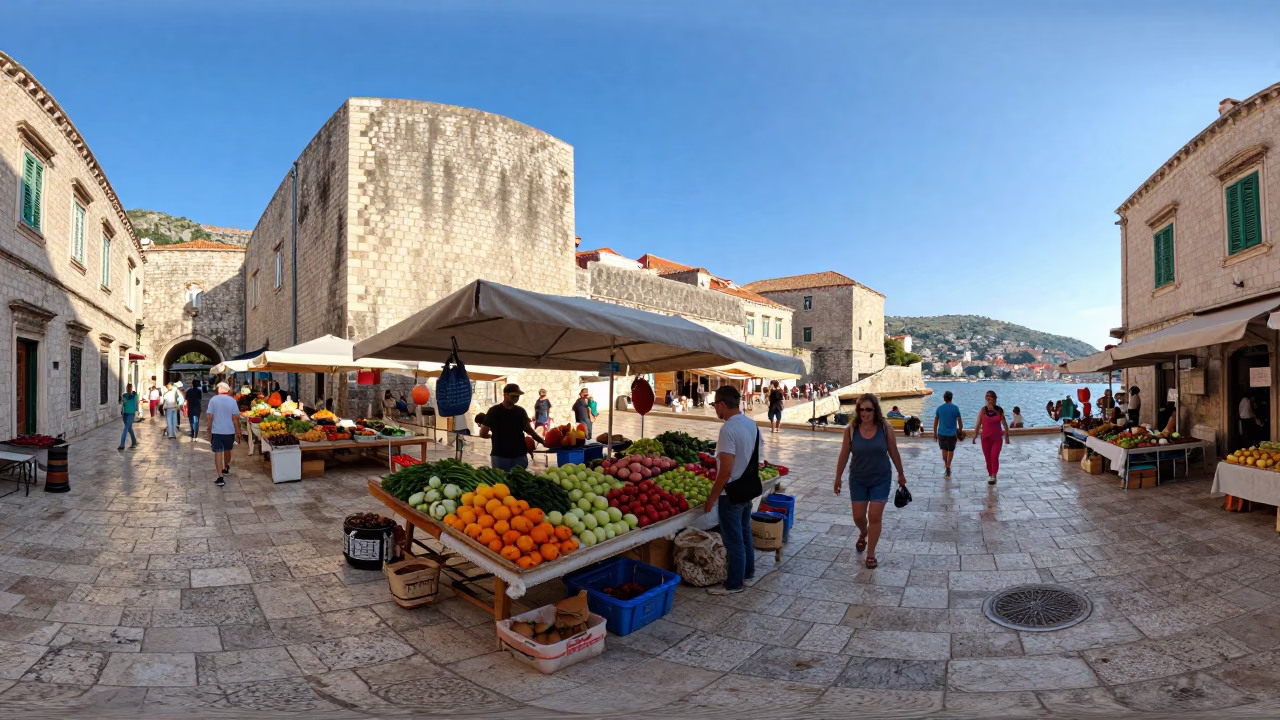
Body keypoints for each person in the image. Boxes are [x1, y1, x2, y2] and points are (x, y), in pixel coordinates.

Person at [834, 393, 908, 570]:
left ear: (875, 410)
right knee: (858, 517)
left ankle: (871, 554)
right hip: (858, 479)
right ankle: (863, 532)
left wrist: (901, 473)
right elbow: (844, 454)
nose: (865, 413)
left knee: (875, 516)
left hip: (881, 478)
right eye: (861, 409)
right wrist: (838, 477)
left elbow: (893, 451)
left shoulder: (885, 428)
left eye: (868, 409)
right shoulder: (850, 429)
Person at [702, 386, 764, 595]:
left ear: (721, 404)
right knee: (745, 533)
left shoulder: (727, 429)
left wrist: (712, 498)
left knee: (733, 539)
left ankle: (734, 583)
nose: (715, 411)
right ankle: (748, 573)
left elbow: (726, 470)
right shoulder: (751, 424)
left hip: (732, 492)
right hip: (747, 489)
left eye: (714, 406)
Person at [478, 384, 545, 470]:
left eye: (518, 396)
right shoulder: (495, 411)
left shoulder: (519, 411)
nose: (516, 398)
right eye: (514, 396)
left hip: (517, 456)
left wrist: (542, 441)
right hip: (502, 457)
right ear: (505, 395)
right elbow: (483, 433)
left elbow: (529, 430)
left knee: (508, 482)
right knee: (504, 483)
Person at [206, 382, 243, 487]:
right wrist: (238, 431)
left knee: (218, 452)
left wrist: (209, 428)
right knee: (227, 450)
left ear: (219, 389)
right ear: (227, 390)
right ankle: (226, 466)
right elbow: (235, 418)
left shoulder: (213, 400)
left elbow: (210, 416)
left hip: (217, 431)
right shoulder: (232, 401)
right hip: (229, 431)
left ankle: (220, 476)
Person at [973, 390, 1011, 485]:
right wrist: (975, 435)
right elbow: (978, 424)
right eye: (987, 396)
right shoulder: (983, 410)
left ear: (994, 398)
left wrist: (1007, 436)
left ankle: (994, 476)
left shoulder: (999, 410)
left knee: (994, 456)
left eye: (990, 396)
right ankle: (990, 474)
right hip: (985, 438)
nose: (988, 398)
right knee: (987, 458)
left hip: (997, 438)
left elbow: (1005, 424)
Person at [932, 390, 963, 477]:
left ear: (944, 398)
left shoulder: (939, 409)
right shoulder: (955, 408)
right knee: (951, 450)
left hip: (941, 433)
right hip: (952, 434)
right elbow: (960, 421)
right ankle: (949, 465)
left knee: (944, 450)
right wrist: (960, 431)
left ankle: (946, 465)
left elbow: (936, 422)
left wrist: (935, 433)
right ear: (951, 398)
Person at [118, 383, 139, 451]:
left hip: (131, 414)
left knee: (126, 429)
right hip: (125, 414)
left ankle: (122, 444)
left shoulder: (135, 395)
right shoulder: (124, 395)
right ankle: (134, 442)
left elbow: (136, 404)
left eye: (130, 387)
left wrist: (137, 413)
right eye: (128, 387)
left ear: (132, 388)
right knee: (129, 429)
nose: (129, 388)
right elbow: (123, 403)